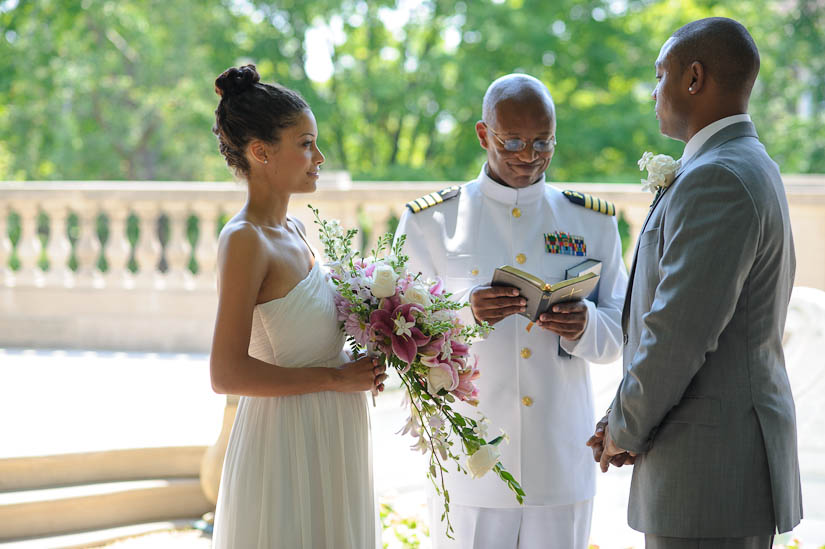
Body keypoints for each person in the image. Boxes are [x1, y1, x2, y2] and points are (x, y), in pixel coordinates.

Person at [589, 18, 803, 549]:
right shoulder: (740, 163)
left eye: (660, 75)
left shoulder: (719, 177)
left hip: (709, 472)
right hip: (708, 464)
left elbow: (677, 334)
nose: (653, 91)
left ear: (694, 78)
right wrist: (621, 416)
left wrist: (623, 428)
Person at [394, 73, 627, 549]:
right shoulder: (432, 221)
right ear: (484, 134)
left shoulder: (590, 221)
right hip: (471, 462)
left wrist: (585, 326)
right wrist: (465, 312)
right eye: (514, 140)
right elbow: (399, 337)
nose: (529, 155)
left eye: (544, 142)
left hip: (561, 457)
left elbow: (623, 329)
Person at [208, 64, 386, 549]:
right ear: (261, 151)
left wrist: (369, 358)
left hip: (332, 437)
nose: (319, 156)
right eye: (306, 144)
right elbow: (225, 373)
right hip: (285, 445)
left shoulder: (297, 231)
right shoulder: (245, 240)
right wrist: (337, 379)